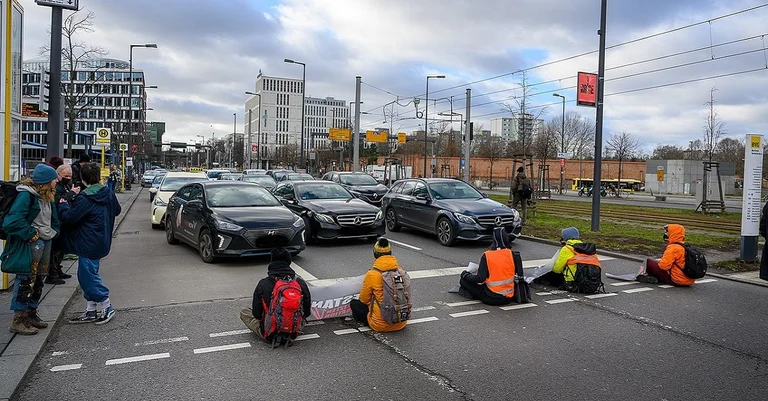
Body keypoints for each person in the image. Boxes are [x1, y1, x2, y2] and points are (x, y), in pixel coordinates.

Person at [59, 162, 122, 324]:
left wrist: (64, 204)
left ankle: (106, 305)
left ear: (82, 178)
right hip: (102, 240)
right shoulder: (107, 192)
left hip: (87, 242)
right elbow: (117, 210)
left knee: (86, 276)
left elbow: (70, 218)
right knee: (88, 274)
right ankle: (91, 310)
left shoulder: (85, 198)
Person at [1, 164, 61, 335]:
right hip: (32, 243)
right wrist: (32, 234)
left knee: (39, 278)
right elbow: (11, 221)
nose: (56, 181)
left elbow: (52, 218)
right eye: (53, 179)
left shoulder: (46, 195)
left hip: (44, 240)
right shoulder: (27, 196)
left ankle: (31, 313)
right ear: (45, 182)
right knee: (26, 279)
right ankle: (19, 318)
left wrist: (53, 232)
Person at [240, 248, 312, 341]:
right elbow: (306, 313)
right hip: (294, 331)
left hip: (270, 333)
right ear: (289, 262)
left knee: (244, 311)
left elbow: (257, 314)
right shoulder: (299, 282)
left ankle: (269, 331)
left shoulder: (263, 283)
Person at [349, 238, 410, 332]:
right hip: (401, 322)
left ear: (375, 254)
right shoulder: (400, 271)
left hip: (379, 325)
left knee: (354, 304)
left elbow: (364, 300)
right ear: (390, 252)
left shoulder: (372, 274)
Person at [459, 227, 519, 306]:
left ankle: (470, 292)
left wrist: (465, 275)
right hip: (509, 296)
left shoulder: (487, 255)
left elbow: (480, 278)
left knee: (463, 281)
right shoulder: (512, 254)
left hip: (492, 297)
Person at [46, 165, 76, 285]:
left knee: (60, 248)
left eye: (70, 176)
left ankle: (58, 269)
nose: (68, 178)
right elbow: (58, 201)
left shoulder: (65, 185)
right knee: (55, 248)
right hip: (56, 221)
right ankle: (52, 273)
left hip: (62, 221)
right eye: (66, 176)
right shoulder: (56, 187)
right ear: (58, 175)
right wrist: (71, 194)